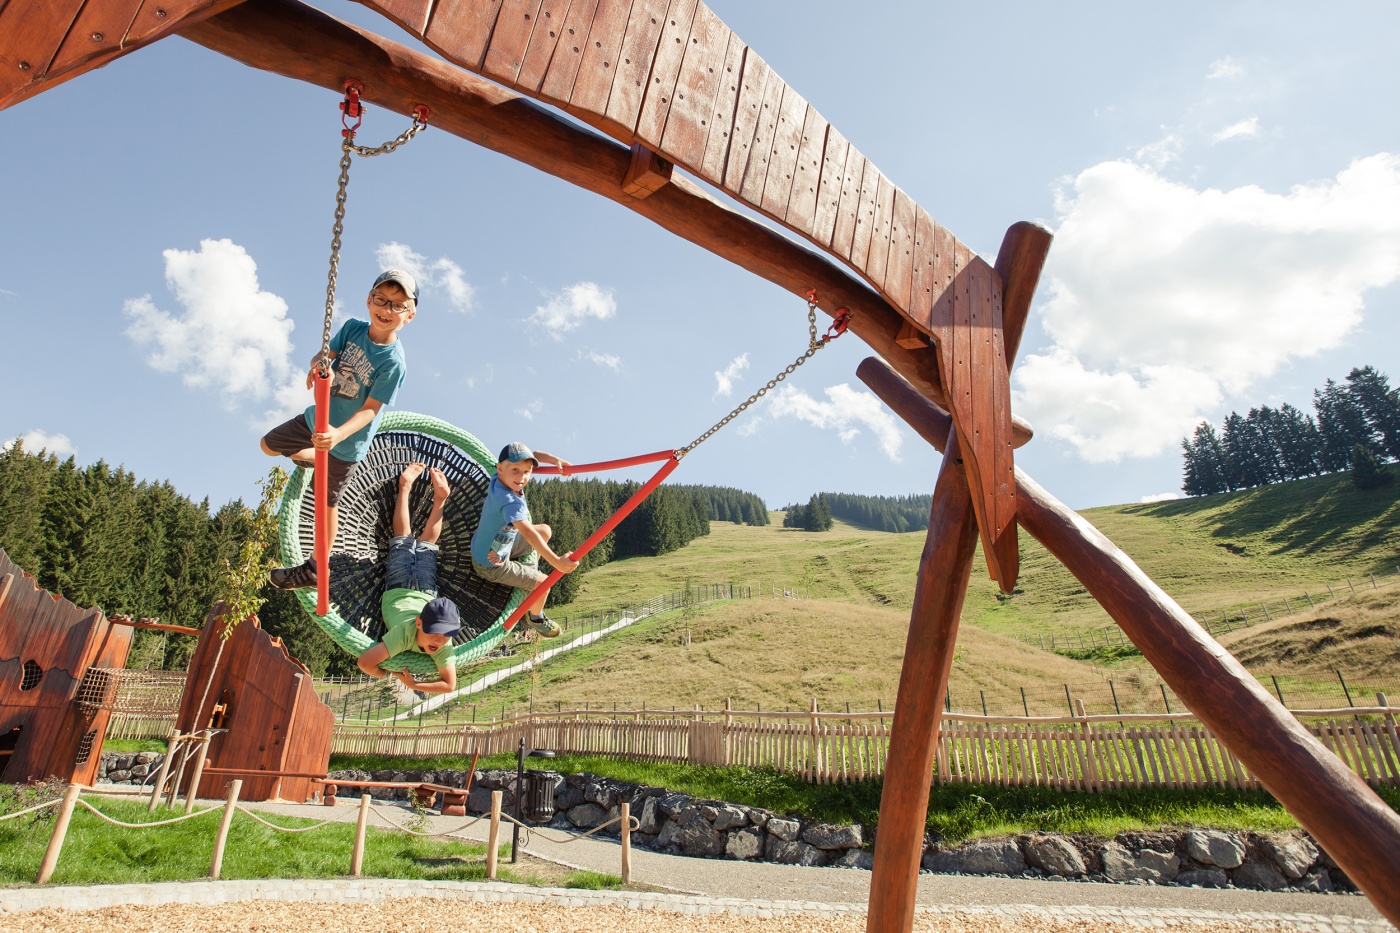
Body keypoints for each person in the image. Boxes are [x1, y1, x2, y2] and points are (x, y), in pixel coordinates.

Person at [263, 269, 416, 589]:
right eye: (381, 300)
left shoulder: (393, 362)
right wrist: (317, 364)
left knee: (325, 506)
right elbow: (326, 355)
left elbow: (370, 411)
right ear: (369, 300)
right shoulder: (351, 328)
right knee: (267, 445)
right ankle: (312, 457)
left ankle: (315, 568)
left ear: (409, 315)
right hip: (316, 418)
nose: (386, 310)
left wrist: (338, 435)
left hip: (346, 442)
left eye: (397, 305)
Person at [356, 463, 459, 695]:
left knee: (403, 540)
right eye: (435, 631)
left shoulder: (442, 643)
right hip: (424, 592)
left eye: (446, 635)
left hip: (400, 586)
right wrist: (386, 673)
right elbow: (366, 664)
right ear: (419, 623)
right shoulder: (405, 633)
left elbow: (449, 685)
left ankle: (405, 487)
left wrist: (404, 680)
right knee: (427, 546)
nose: (440, 640)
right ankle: (437, 500)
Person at [471, 442, 577, 638]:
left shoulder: (499, 479)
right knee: (544, 583)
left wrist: (556, 461)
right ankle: (534, 617)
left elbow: (535, 453)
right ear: (500, 468)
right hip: (490, 564)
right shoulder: (509, 501)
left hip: (497, 544)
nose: (522, 477)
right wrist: (556, 562)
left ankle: (527, 577)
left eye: (527, 471)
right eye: (516, 470)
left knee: (545, 530)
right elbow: (528, 533)